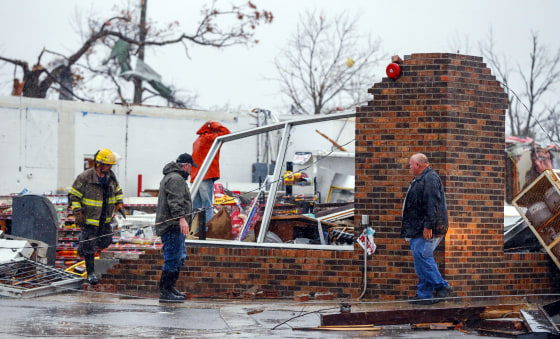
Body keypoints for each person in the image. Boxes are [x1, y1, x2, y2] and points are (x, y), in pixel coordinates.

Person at [401, 153, 452, 305]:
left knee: (423, 256)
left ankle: (442, 285)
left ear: (418, 165)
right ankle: (424, 294)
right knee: (419, 259)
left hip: (427, 228)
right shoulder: (422, 178)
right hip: (418, 227)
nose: (410, 168)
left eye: (411, 165)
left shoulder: (429, 179)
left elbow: (432, 204)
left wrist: (428, 226)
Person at [69, 148, 125, 285]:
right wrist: (78, 212)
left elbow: (118, 190)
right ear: (99, 163)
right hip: (89, 219)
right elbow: (74, 195)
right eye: (108, 164)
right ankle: (91, 273)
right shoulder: (85, 177)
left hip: (105, 218)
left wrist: (119, 203)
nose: (110, 167)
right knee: (89, 246)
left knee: (105, 241)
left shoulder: (111, 177)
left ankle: (83, 248)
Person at [155, 153, 197, 303]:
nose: (191, 172)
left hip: (172, 226)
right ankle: (165, 291)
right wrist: (181, 219)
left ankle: (170, 287)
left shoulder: (172, 177)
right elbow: (175, 202)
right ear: (186, 165)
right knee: (172, 258)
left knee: (178, 257)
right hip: (171, 226)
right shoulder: (176, 179)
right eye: (191, 168)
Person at [190, 121, 231, 225]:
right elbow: (227, 132)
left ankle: (193, 231)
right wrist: (213, 123)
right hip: (206, 175)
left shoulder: (198, 140)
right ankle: (206, 232)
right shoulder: (211, 138)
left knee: (196, 207)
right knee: (207, 206)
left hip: (195, 177)